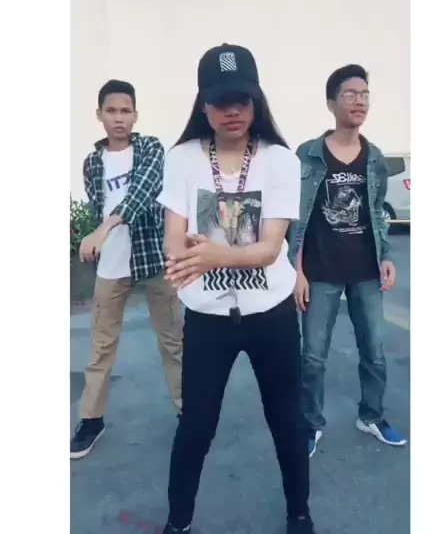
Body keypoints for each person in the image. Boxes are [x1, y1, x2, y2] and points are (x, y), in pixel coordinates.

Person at [159, 44, 316, 534]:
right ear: (203, 104)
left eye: (242, 100)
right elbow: (173, 238)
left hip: (271, 313)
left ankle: (299, 513)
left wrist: (209, 255)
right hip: (208, 317)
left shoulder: (280, 160)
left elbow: (269, 249)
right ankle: (178, 522)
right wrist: (188, 257)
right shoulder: (182, 158)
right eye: (221, 100)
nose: (233, 111)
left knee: (286, 421)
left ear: (256, 101)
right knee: (196, 426)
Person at [290, 65, 407, 458]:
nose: (360, 101)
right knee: (313, 356)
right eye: (350, 94)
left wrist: (386, 256)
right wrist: (297, 271)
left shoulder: (374, 158)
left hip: (366, 272)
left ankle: (371, 416)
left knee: (374, 350)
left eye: (365, 94)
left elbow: (377, 214)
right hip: (320, 272)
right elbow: (296, 218)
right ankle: (310, 423)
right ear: (331, 103)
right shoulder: (308, 154)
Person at [70, 79, 184, 460]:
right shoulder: (92, 163)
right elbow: (97, 203)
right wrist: (101, 238)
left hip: (153, 258)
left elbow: (143, 193)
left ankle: (188, 412)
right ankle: (91, 419)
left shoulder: (150, 148)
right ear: (99, 115)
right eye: (111, 111)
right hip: (111, 265)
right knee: (101, 347)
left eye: (125, 111)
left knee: (174, 342)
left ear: (136, 115)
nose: (119, 118)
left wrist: (103, 229)